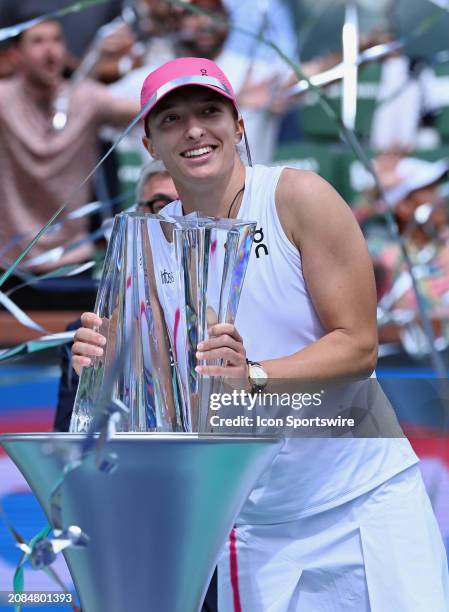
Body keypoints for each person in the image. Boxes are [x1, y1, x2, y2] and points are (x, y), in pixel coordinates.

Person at [72, 58, 449, 610]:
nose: (195, 129)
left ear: (239, 124)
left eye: (209, 111)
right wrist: (106, 368)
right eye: (172, 119)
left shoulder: (298, 197)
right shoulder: (149, 245)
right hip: (250, 523)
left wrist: (254, 376)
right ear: (149, 143)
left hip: (364, 496)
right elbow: (170, 388)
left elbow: (359, 345)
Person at [0, 19, 139, 280]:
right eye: (38, 41)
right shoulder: (3, 99)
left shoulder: (86, 98)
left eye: (56, 40)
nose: (50, 50)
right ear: (16, 54)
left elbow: (152, 109)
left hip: (73, 260)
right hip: (9, 263)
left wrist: (218, 97)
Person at [54, 159, 179, 432]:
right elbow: (67, 445)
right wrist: (101, 389)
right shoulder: (89, 335)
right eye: (160, 207)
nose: (173, 222)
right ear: (134, 219)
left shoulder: (233, 325)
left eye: (186, 208)